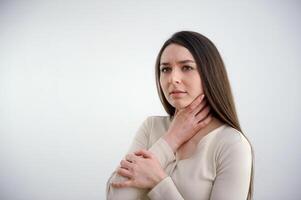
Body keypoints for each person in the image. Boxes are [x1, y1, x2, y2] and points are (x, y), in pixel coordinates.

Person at [106, 31, 254, 200]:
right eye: (165, 69)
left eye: (187, 67)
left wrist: (158, 183)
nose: (173, 78)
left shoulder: (231, 144)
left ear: (210, 73)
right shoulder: (151, 127)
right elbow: (116, 196)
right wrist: (171, 139)